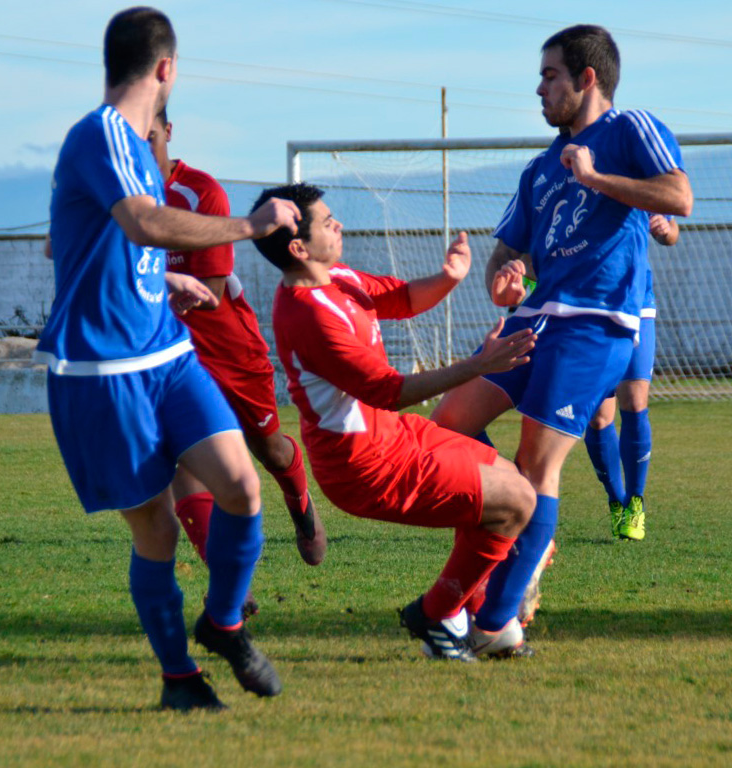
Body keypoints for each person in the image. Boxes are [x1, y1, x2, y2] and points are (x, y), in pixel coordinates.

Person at [35, 7, 302, 712]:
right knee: (155, 527)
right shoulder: (100, 135)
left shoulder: (127, 145)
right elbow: (144, 224)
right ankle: (178, 679)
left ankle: (224, 623)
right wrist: (250, 223)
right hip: (102, 378)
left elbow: (80, 242)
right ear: (165, 69)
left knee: (243, 488)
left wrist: (162, 278)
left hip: (168, 356)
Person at [431, 25, 692, 641]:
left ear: (587, 79)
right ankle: (520, 527)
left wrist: (598, 179)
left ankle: (496, 621)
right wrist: (504, 280)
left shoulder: (630, 130)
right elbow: (506, 256)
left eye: (550, 76)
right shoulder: (539, 168)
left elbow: (679, 196)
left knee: (538, 466)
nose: (540, 89)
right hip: (534, 318)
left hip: (596, 323)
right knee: (444, 431)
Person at [251, 182, 539, 662]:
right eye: (326, 221)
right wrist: (477, 366)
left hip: (393, 438)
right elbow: (388, 389)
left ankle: (476, 616)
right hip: (363, 467)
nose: (337, 224)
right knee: (517, 502)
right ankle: (436, 612)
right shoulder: (308, 317)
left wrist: (449, 277)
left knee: (508, 483)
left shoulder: (334, 276)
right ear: (298, 247)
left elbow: (400, 298)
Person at [146, 110, 326, 583]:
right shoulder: (121, 202)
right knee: (179, 456)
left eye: (150, 135)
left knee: (268, 449)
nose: (141, 147)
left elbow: (206, 290)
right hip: (166, 353)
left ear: (168, 132)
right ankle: (226, 580)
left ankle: (300, 501)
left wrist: (136, 287)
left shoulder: (200, 192)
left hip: (228, 350)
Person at [584, 214, 679, 541]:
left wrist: (666, 230)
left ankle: (636, 502)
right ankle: (617, 500)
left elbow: (671, 232)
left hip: (636, 299)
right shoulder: (573, 181)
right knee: (598, 417)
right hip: (588, 303)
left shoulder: (637, 175)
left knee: (635, 399)